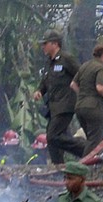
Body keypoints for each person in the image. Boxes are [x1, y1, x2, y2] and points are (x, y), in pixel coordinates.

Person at [33, 29, 84, 164]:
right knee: (53, 141)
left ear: (55, 44)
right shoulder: (49, 62)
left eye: (45, 43)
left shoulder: (66, 59)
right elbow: (46, 81)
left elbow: (81, 75)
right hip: (53, 107)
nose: (43, 46)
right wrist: (40, 91)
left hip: (65, 105)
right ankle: (58, 169)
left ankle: (86, 150)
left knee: (53, 136)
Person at [70, 42, 103, 155]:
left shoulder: (85, 66)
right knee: (94, 142)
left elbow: (73, 84)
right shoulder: (101, 68)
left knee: (90, 140)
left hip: (80, 107)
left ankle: (84, 165)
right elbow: (100, 87)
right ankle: (85, 169)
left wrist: (84, 94)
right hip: (94, 108)